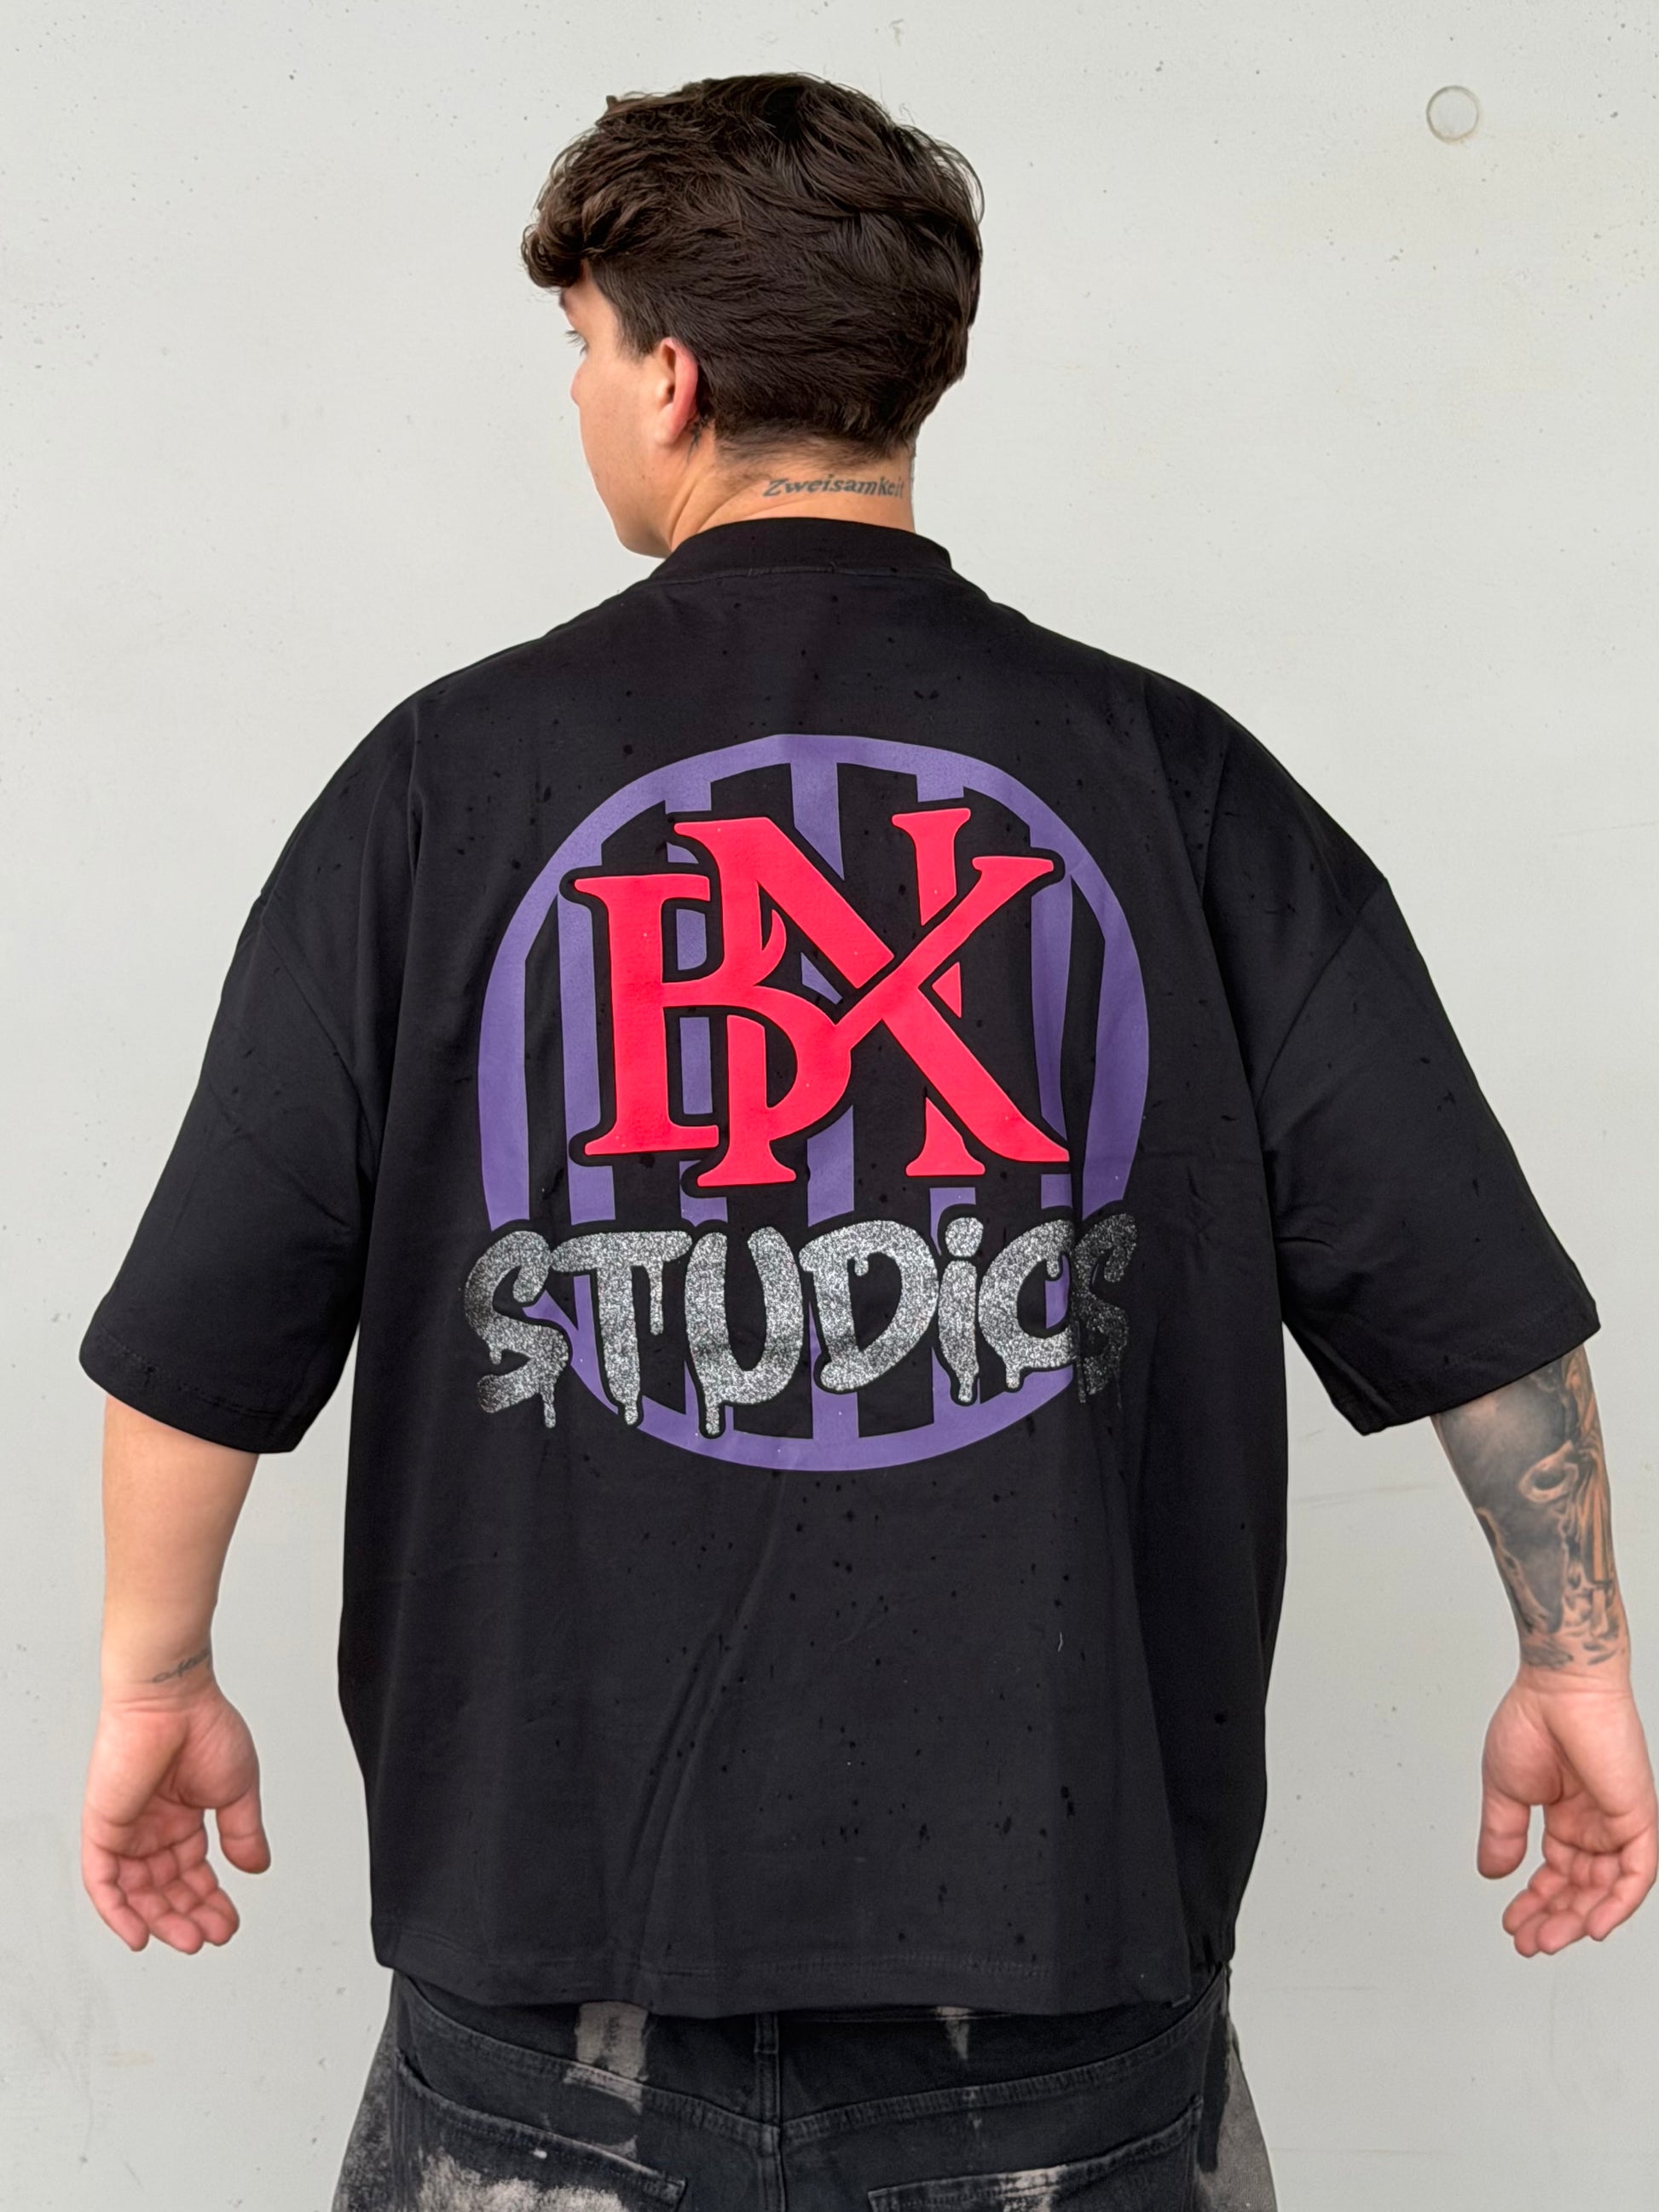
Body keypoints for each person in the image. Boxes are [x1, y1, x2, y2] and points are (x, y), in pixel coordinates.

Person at [77, 71, 1654, 2212]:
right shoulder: (1176, 781)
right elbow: (1466, 1286)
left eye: (580, 349)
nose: (578, 398)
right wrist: (1575, 1651)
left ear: (670, 378)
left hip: (551, 2011)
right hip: (1059, 2005)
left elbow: (200, 1330)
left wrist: (154, 1673)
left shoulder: (440, 785)